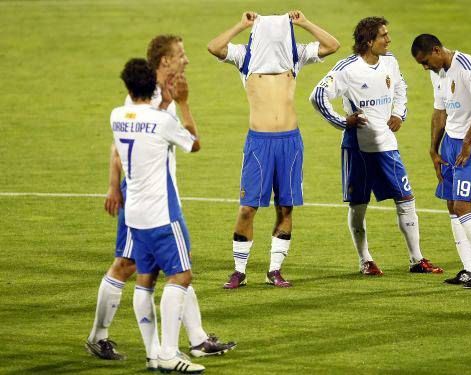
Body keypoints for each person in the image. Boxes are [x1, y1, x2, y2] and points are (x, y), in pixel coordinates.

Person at [86, 35, 235, 370]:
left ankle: (196, 339)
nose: (186, 60)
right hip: (141, 193)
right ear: (164, 61)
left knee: (173, 265)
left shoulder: (156, 95)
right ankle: (101, 336)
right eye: (180, 55)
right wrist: (113, 187)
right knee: (129, 266)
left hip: (154, 192)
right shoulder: (143, 97)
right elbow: (120, 146)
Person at [207, 11, 340, 288]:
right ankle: (239, 271)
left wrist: (304, 22)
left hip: (290, 143)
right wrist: (240, 25)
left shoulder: (295, 56)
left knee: (286, 207)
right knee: (247, 209)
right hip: (259, 143)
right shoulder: (244, 57)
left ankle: (274, 270)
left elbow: (332, 45)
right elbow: (214, 47)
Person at [309, 17, 444, 276]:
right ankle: (365, 260)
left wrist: (398, 113)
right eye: (383, 36)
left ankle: (417, 259)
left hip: (387, 146)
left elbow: (401, 87)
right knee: (359, 204)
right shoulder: (347, 68)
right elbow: (317, 96)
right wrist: (342, 121)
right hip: (358, 147)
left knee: (406, 199)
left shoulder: (390, 61)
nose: (389, 39)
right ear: (369, 41)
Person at [110, 57, 205, 373]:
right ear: (151, 84)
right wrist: (184, 103)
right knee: (181, 275)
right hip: (162, 212)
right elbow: (193, 145)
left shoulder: (117, 116)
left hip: (134, 213)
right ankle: (168, 352)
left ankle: (153, 353)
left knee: (145, 280)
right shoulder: (162, 121)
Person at [411, 34, 471, 288]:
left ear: (437, 50)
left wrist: (468, 142)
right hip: (450, 143)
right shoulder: (438, 73)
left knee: (463, 206)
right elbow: (440, 111)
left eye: (426, 61)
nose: (426, 67)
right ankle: (470, 269)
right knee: (452, 205)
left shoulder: (467, 67)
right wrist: (433, 149)